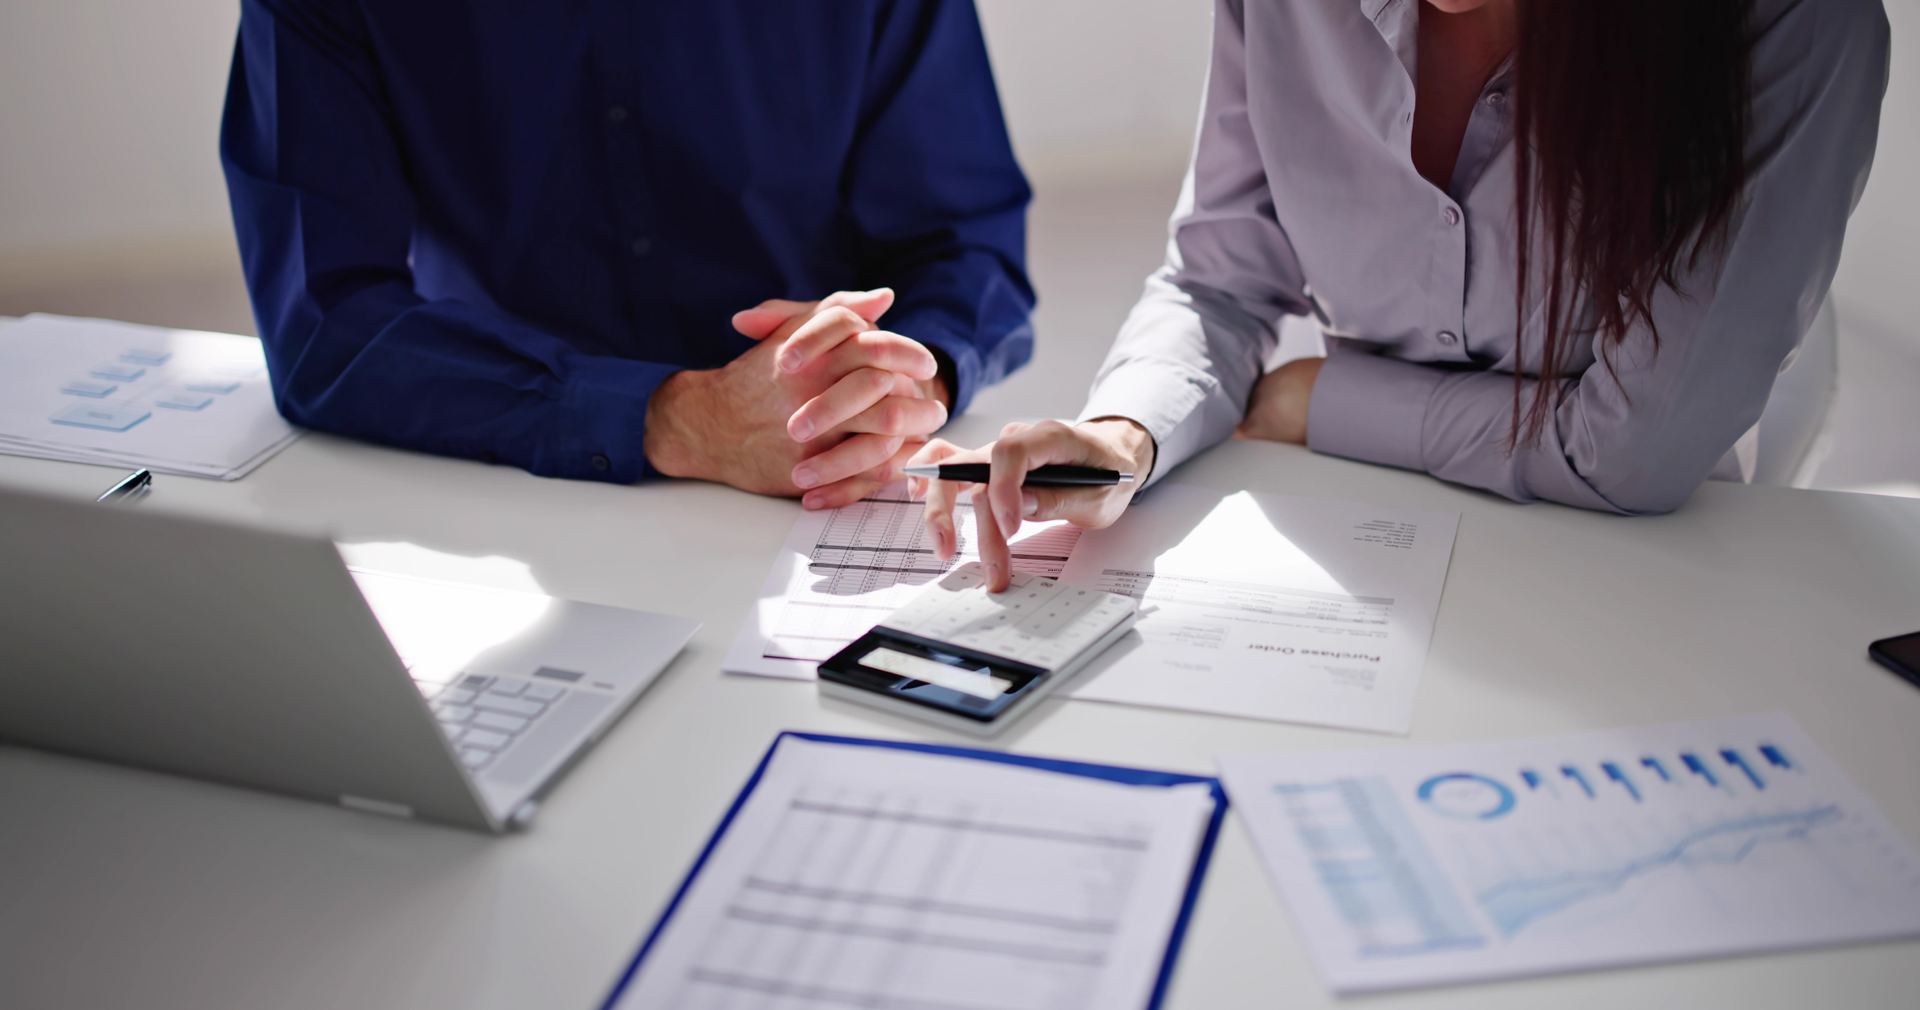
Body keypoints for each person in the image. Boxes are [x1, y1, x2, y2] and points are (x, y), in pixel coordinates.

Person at [914, 0, 1889, 591]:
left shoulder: (1791, 25)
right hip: (1378, 544)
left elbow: (1633, 456)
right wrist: (1123, 433)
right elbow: (1220, 276)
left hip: (1635, 555)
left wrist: (1327, 399)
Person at [220, 0, 1033, 511]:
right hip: (492, 465)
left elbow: (966, 239)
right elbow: (324, 318)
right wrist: (680, 417)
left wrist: (895, 380)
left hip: (815, 475)